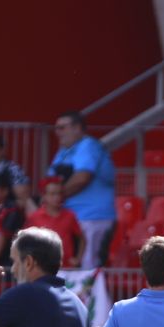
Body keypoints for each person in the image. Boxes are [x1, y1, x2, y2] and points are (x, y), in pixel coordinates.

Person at [47, 111, 117, 270]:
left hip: (92, 217)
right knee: (70, 265)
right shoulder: (63, 152)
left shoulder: (88, 145)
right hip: (70, 217)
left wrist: (56, 197)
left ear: (77, 128)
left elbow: (82, 177)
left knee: (88, 266)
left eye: (62, 128)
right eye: (57, 128)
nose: (58, 132)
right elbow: (50, 182)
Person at [24, 180, 85, 268]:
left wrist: (78, 259)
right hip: (42, 267)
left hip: (66, 267)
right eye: (53, 194)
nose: (57, 197)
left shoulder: (70, 216)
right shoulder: (35, 217)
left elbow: (82, 239)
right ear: (44, 196)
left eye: (59, 193)